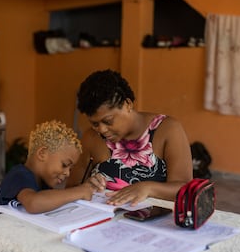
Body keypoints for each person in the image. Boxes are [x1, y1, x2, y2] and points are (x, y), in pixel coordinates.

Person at [67, 69, 193, 206]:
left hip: (152, 220)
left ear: (127, 104)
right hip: (103, 218)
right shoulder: (91, 138)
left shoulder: (167, 129)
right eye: (95, 123)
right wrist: (85, 187)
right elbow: (70, 189)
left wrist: (147, 188)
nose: (102, 129)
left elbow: (185, 188)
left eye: (108, 121)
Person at [0, 120, 104, 216]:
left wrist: (85, 188)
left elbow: (51, 199)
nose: (67, 173)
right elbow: (33, 203)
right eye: (64, 165)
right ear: (42, 153)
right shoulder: (19, 175)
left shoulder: (43, 182)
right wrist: (79, 191)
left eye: (70, 169)